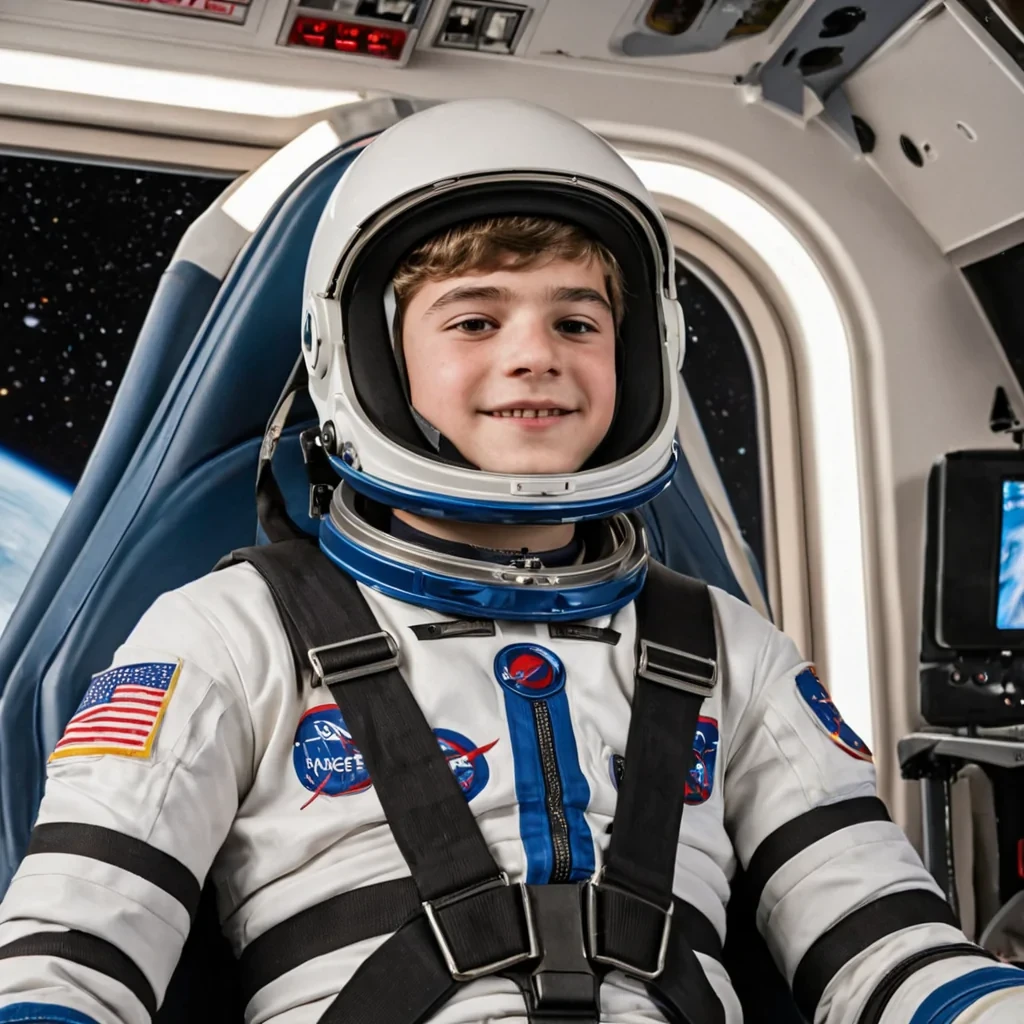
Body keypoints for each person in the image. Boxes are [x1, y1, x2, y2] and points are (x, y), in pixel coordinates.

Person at [0, 98, 1021, 1024]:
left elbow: (889, 950)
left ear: (637, 356)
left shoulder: (730, 650)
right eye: (476, 319)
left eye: (576, 320)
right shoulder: (227, 630)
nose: (535, 353)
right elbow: (68, 956)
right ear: (363, 356)